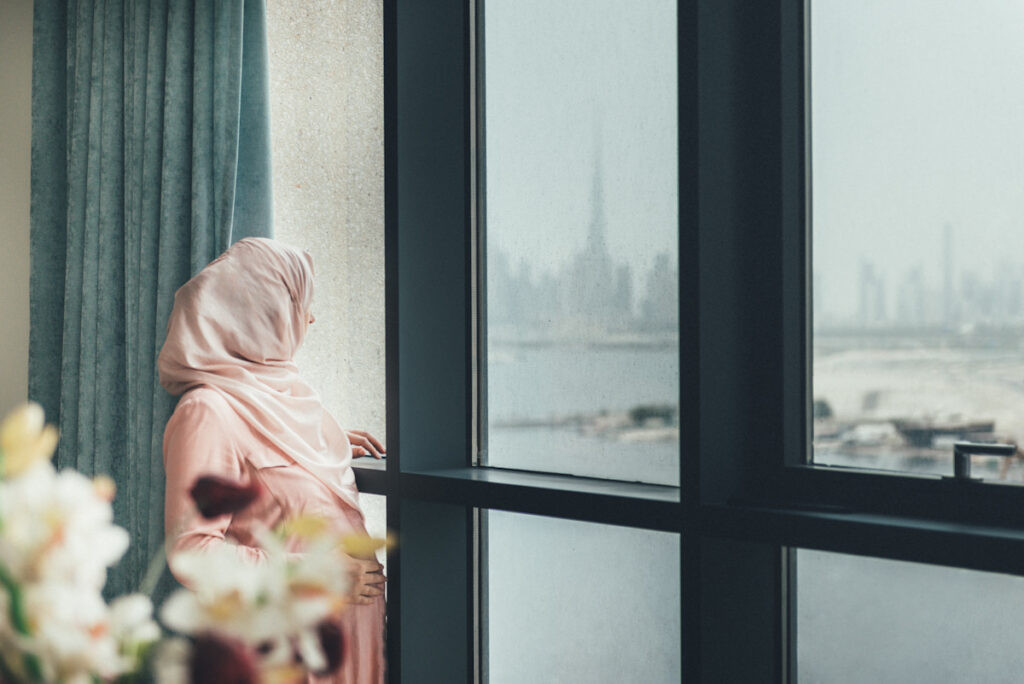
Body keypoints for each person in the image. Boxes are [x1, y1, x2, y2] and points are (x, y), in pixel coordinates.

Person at [158, 237, 386, 683]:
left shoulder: (290, 404)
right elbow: (192, 554)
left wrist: (327, 440)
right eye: (302, 303)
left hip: (349, 647)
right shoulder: (208, 411)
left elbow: (284, 489)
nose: (311, 317)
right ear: (261, 311)